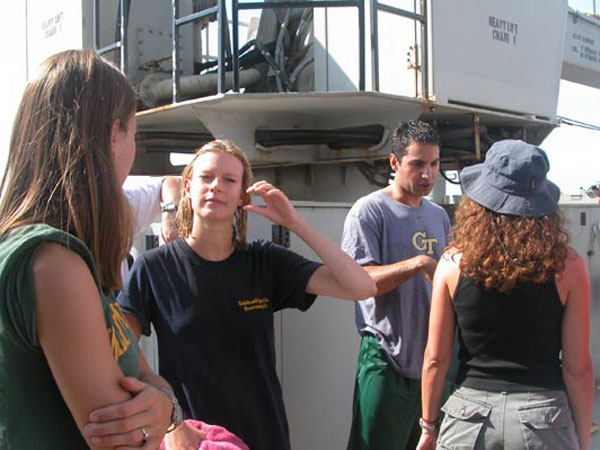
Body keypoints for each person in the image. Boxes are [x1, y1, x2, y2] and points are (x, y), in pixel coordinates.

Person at [117, 139, 376, 450]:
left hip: (264, 438)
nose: (216, 187)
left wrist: (295, 223)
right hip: (196, 441)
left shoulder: (265, 262)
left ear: (242, 196)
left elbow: (361, 287)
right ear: (187, 188)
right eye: (206, 177)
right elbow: (121, 350)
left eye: (229, 180)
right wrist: (170, 419)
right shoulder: (154, 267)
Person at [0, 49, 179, 449]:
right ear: (114, 134)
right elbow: (123, 439)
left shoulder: (71, 258)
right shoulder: (52, 263)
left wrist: (166, 405)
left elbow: (148, 378)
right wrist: (158, 413)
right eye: (135, 134)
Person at [417, 140, 593, 450]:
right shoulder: (569, 268)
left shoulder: (452, 262)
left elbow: (435, 359)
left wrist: (429, 426)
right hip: (544, 417)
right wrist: (579, 437)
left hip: (469, 418)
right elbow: (578, 368)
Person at [342, 120, 452, 450]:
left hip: (432, 361)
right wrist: (418, 264)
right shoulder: (369, 211)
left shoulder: (438, 216)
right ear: (394, 163)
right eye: (417, 164)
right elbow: (357, 283)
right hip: (386, 359)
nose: (427, 175)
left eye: (434, 164)